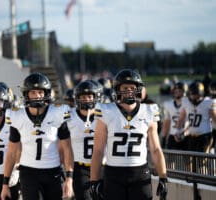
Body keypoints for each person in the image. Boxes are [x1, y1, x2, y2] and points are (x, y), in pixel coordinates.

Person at [90, 69, 168, 200]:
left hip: (140, 173)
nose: (129, 91)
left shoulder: (149, 110)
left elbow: (155, 149)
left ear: (138, 89)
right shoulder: (106, 111)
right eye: (125, 87)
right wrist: (94, 180)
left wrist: (163, 177)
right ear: (117, 89)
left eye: (132, 87)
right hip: (113, 174)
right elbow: (98, 150)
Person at [0, 72, 74, 200]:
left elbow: (67, 148)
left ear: (46, 93)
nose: (37, 96)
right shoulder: (18, 116)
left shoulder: (57, 113)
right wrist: (5, 184)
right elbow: (12, 152)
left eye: (40, 92)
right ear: (26, 94)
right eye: (33, 92)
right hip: (28, 172)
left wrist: (69, 178)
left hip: (53, 171)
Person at [68, 80, 102, 200]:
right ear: (77, 98)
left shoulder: (104, 115)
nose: (87, 99)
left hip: (102, 167)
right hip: (81, 168)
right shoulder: (69, 116)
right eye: (83, 96)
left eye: (89, 96)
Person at [175, 80, 216, 153]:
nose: (193, 97)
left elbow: (214, 119)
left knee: (201, 161)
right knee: (190, 161)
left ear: (200, 94)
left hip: (204, 137)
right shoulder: (186, 102)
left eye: (195, 94)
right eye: (192, 94)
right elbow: (181, 118)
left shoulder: (208, 102)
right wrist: (177, 131)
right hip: (191, 136)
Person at [161, 82, 188, 150]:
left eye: (180, 91)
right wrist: (163, 138)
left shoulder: (189, 104)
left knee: (188, 160)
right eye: (176, 91)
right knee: (171, 159)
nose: (177, 93)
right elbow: (167, 122)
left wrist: (185, 133)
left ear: (184, 91)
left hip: (186, 136)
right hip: (172, 136)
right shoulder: (168, 104)